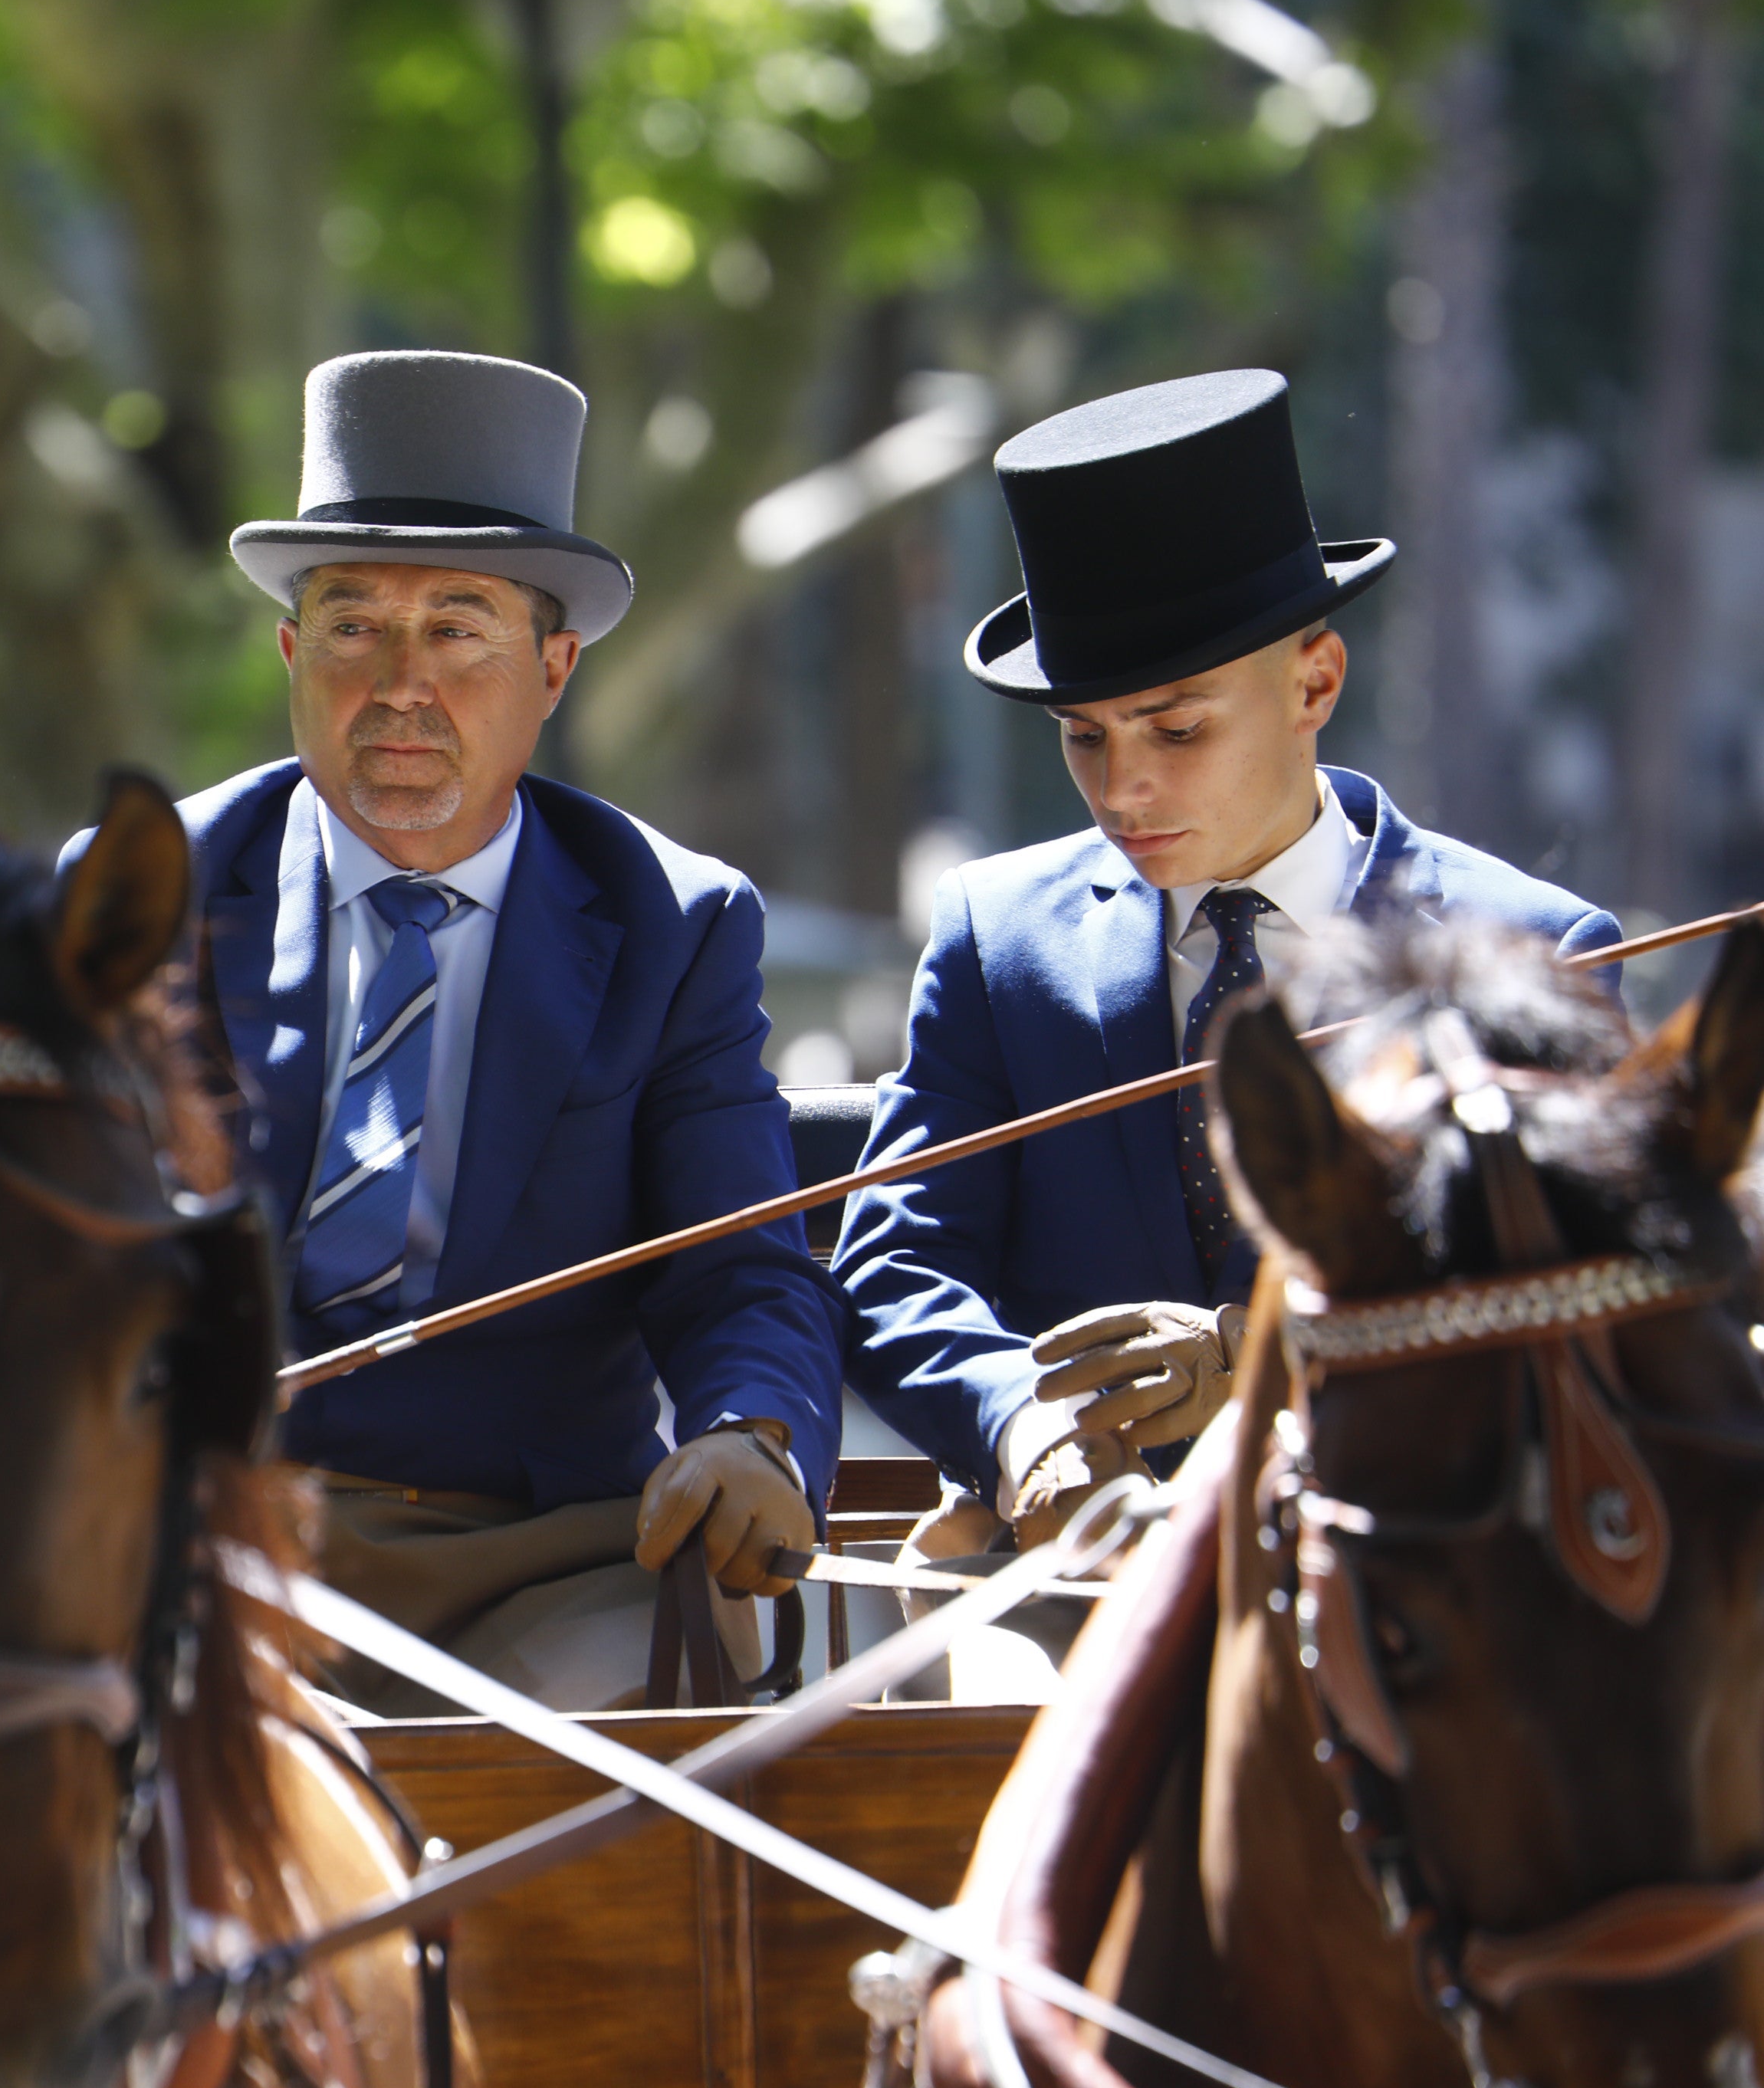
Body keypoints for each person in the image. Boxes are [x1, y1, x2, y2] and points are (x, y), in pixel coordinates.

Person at [79, 348, 843, 1714]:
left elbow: (735, 1271)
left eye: (457, 630)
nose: (399, 686)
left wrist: (750, 1432)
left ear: (551, 670)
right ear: (288, 653)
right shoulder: (135, 894)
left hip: (537, 1555)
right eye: (352, 627)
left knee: (590, 1773)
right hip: (188, 1542)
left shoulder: (672, 922)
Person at [833, 370, 1619, 1554]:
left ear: (1315, 681)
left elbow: (1569, 1299)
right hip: (1071, 1579)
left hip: (1429, 1577)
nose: (1122, 789)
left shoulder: (1530, 952)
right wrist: (1015, 1426)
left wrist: (1264, 1350)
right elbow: (895, 1261)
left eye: (1176, 727)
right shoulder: (999, 936)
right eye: (1081, 738)